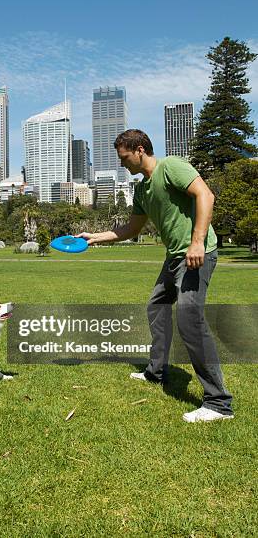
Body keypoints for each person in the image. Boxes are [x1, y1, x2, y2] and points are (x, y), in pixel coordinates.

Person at [78, 129, 233, 423]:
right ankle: (156, 371)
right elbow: (130, 230)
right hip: (174, 257)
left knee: (189, 318)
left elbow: (205, 195)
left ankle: (219, 403)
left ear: (139, 150)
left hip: (197, 254)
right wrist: (93, 238)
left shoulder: (171, 167)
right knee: (157, 305)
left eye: (124, 157)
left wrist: (197, 241)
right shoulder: (142, 190)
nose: (122, 163)